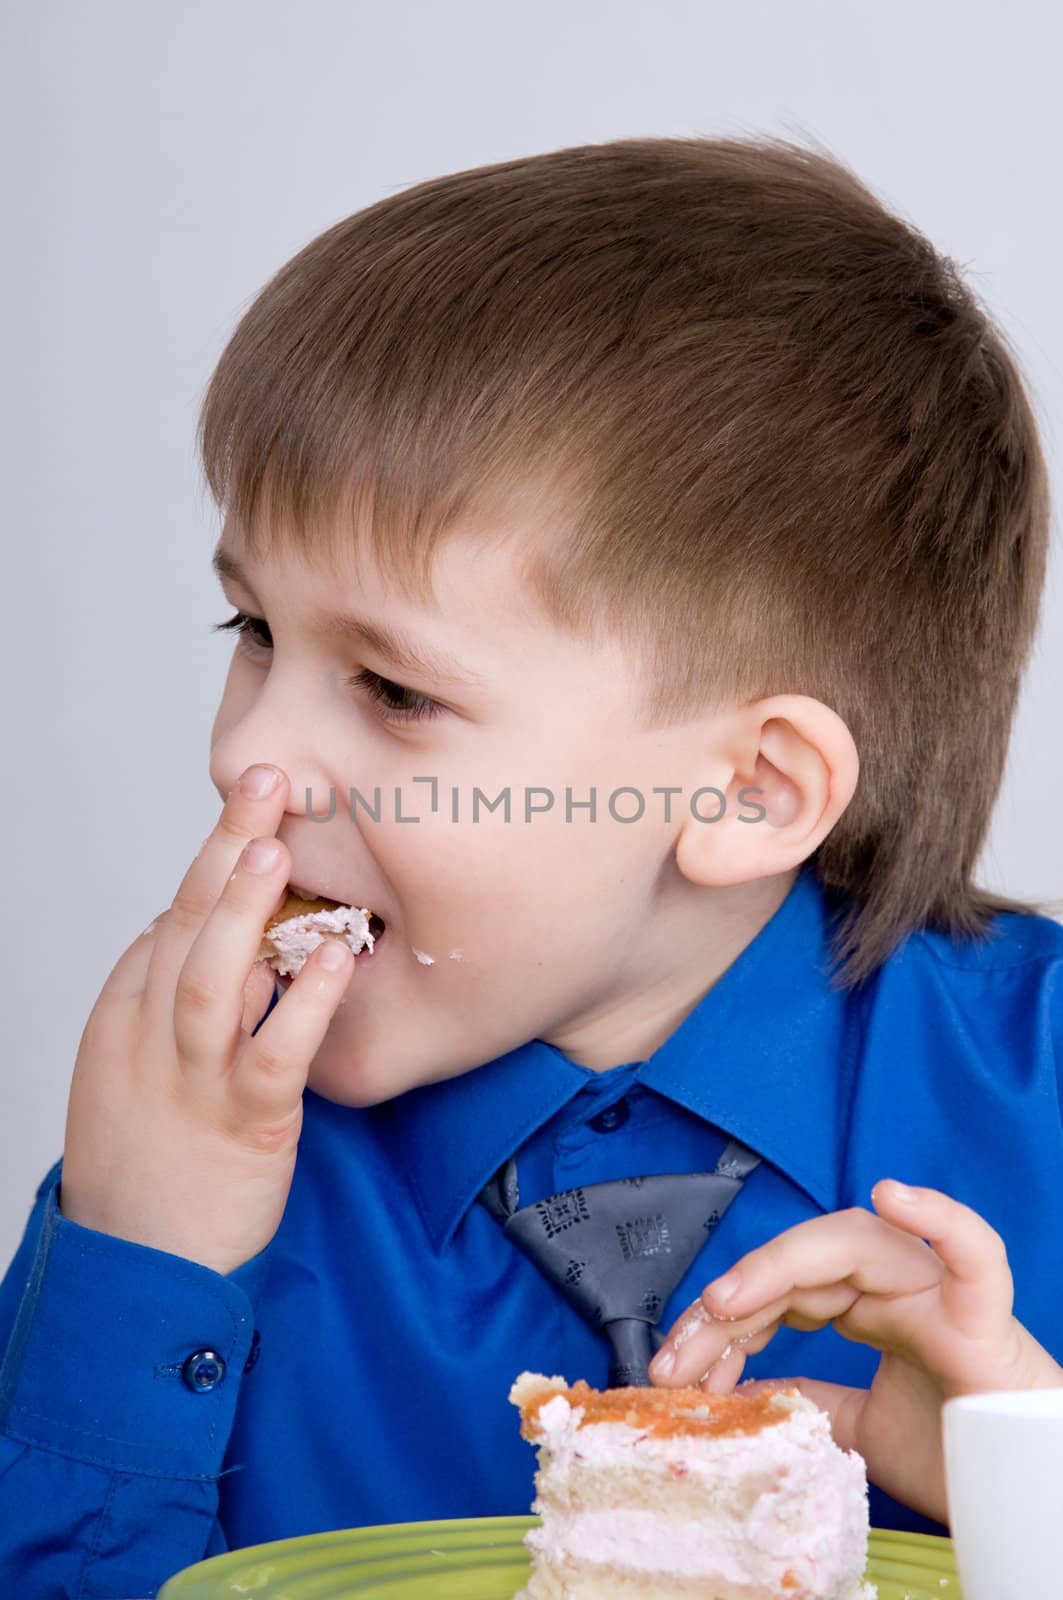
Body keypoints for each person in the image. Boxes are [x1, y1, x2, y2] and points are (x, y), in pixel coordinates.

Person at [2, 132, 1062, 1598]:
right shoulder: (189, 1145)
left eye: (393, 690)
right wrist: (138, 1267)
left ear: (751, 793)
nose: (249, 760)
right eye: (252, 634)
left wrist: (1031, 1490)